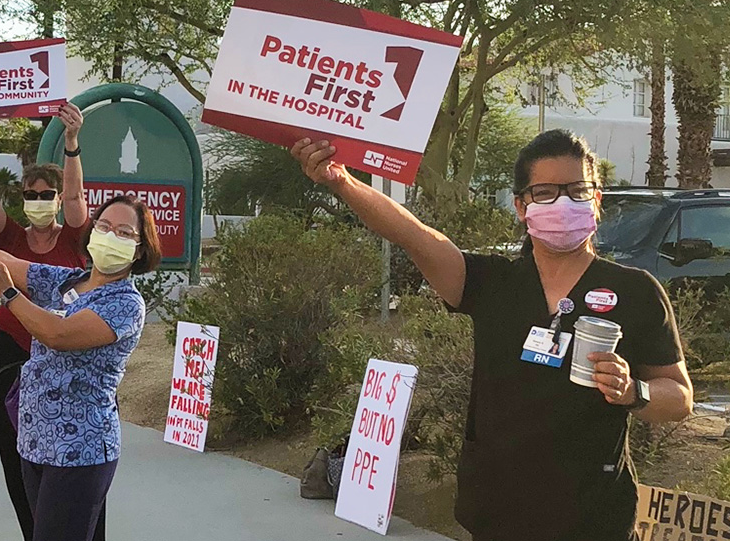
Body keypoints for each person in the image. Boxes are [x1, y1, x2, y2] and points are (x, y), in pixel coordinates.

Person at [291, 130, 692, 541]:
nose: (564, 203)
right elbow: (411, 234)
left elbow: (679, 398)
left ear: (597, 199)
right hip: (497, 512)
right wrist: (341, 181)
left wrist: (633, 391)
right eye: (546, 192)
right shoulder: (491, 282)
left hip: (592, 515)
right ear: (521, 206)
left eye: (577, 190)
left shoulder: (636, 290)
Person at [0, 104, 89, 541]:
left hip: (63, 358)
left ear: (59, 199)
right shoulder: (7, 235)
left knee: (65, 459)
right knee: (17, 455)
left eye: (48, 194)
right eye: (32, 193)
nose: (39, 201)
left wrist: (72, 143)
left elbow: (79, 200)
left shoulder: (78, 236)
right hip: (10, 354)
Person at [0, 195, 161, 541]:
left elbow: (58, 334)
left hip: (80, 449)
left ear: (139, 250)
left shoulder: (125, 304)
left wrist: (8, 294)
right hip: (36, 442)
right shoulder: (67, 281)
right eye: (104, 226)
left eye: (125, 233)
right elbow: (8, 261)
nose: (111, 236)